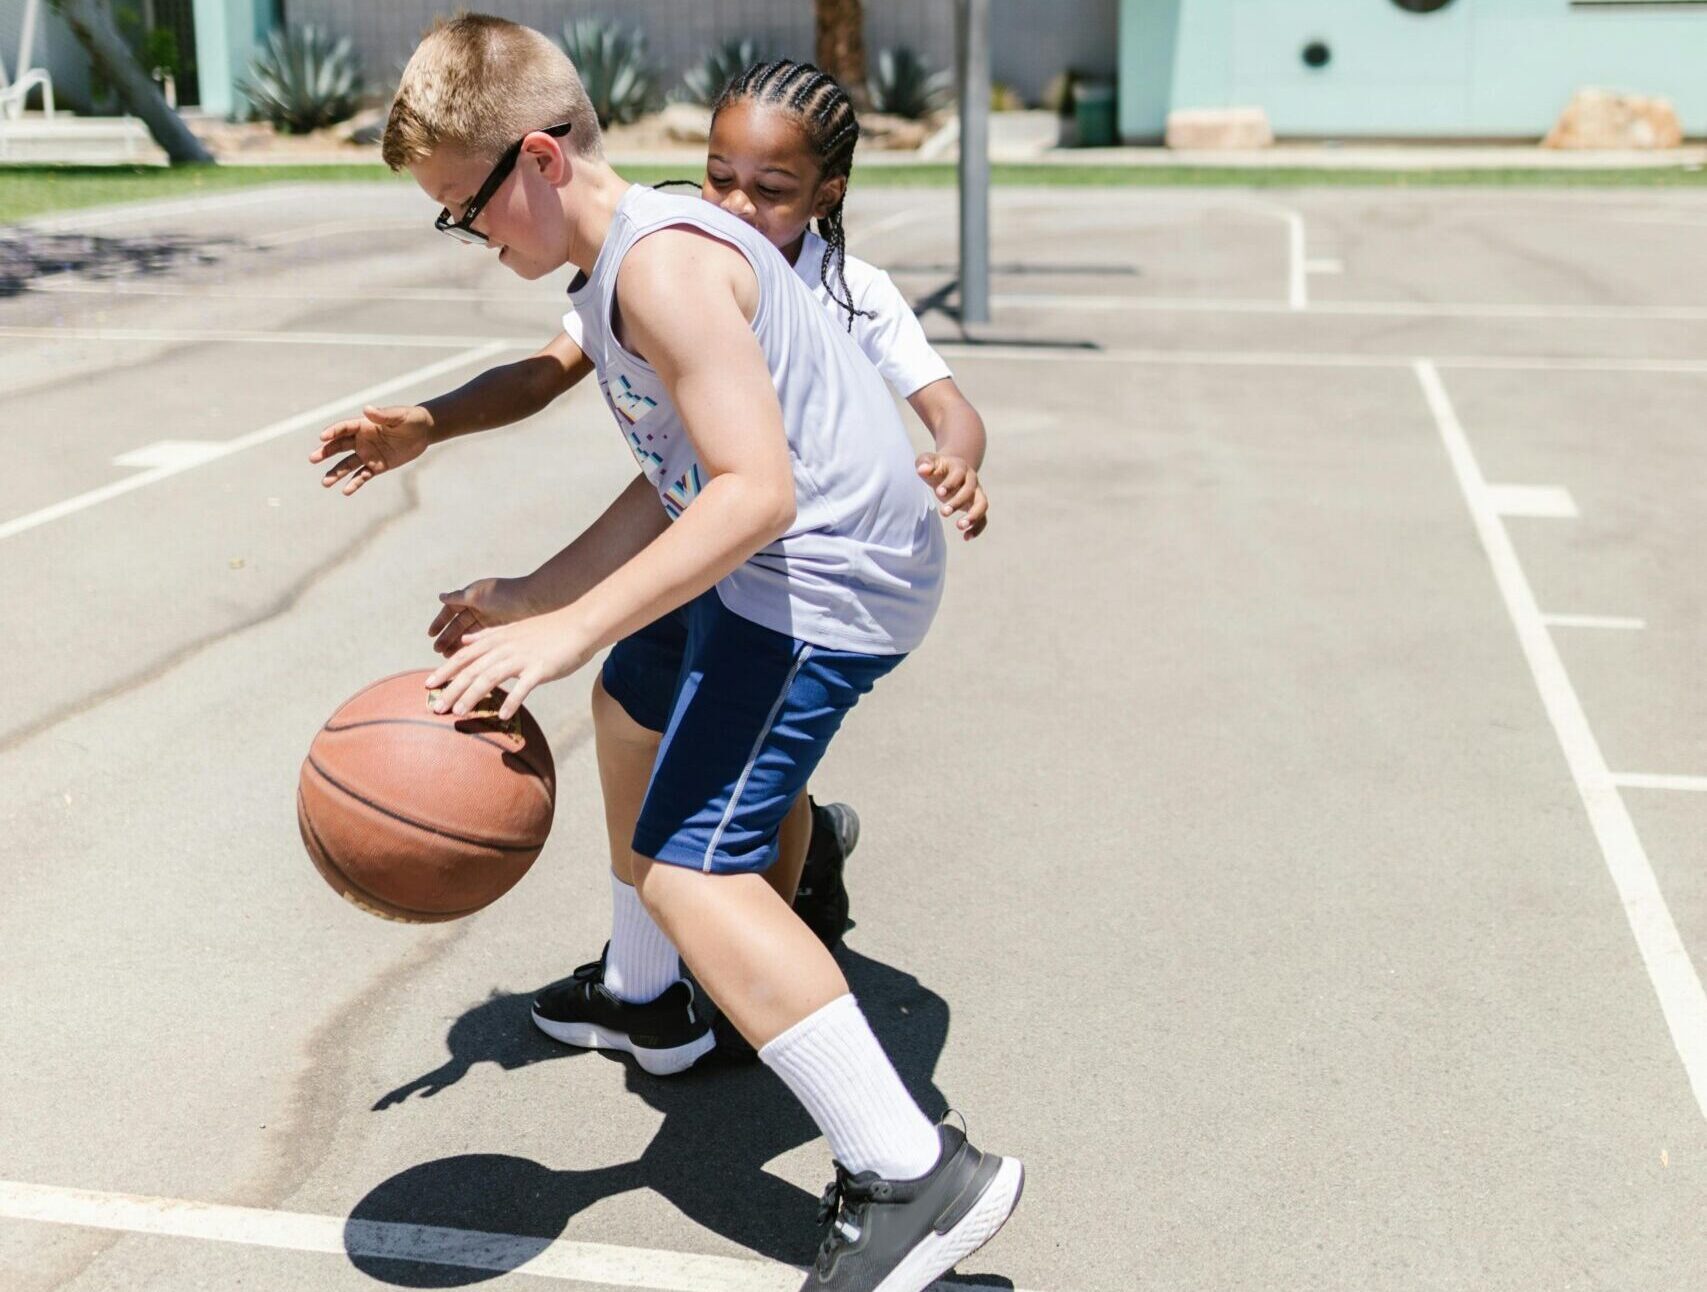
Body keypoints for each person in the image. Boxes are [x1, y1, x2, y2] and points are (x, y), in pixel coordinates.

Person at [343, 17, 1022, 1289]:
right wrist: (537, 592)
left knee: (691, 869)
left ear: (536, 159)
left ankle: (908, 1170)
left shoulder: (658, 267)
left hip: (820, 587)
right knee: (633, 691)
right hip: (780, 559)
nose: (472, 238)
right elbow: (682, 474)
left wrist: (559, 624)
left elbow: (752, 495)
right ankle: (652, 997)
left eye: (464, 209)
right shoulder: (624, 253)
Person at [310, 63, 989, 959]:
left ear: (828, 191)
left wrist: (957, 461)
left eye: (772, 189)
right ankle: (649, 975)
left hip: (809, 570)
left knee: (718, 838)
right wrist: (435, 430)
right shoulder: (658, 255)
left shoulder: (820, 289)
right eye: (720, 177)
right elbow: (574, 398)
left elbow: (897, 428)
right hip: (722, 538)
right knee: (631, 706)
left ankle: (741, 974)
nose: (740, 204)